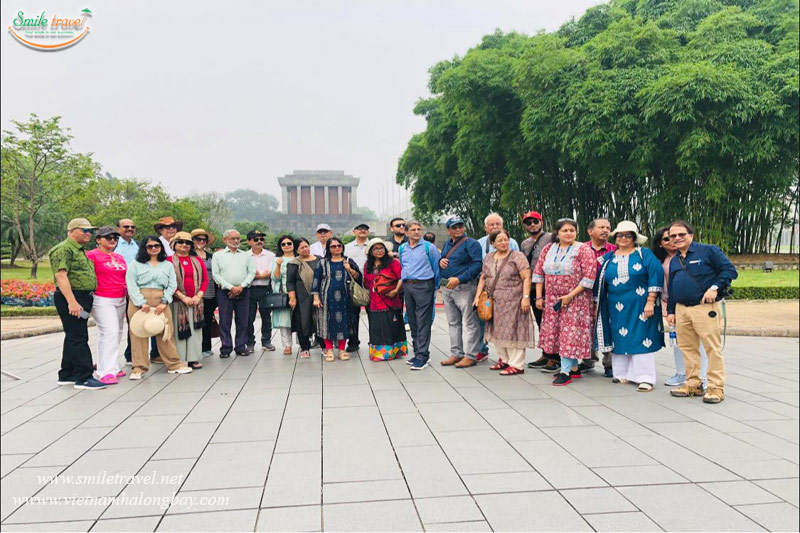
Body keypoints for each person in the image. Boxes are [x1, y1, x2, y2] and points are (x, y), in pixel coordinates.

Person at [666, 220, 737, 404]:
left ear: (691, 235)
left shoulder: (708, 251)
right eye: (673, 236)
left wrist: (714, 287)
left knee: (711, 348)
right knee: (687, 348)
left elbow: (729, 270)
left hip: (704, 308)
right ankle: (693, 384)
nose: (677, 238)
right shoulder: (675, 260)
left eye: (681, 234)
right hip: (682, 309)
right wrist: (671, 310)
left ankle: (715, 387)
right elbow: (672, 287)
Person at [595, 222, 664, 392]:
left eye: (628, 235)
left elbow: (657, 274)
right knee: (618, 337)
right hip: (615, 306)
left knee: (642, 337)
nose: (623, 238)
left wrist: (650, 301)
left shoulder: (643, 254)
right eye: (620, 235)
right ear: (616, 238)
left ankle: (645, 378)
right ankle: (622, 373)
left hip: (641, 304)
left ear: (634, 238)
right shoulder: (608, 258)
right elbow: (600, 282)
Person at [533, 218, 597, 385]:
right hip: (553, 299)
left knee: (569, 334)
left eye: (572, 230)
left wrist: (570, 296)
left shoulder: (583, 250)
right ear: (557, 233)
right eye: (565, 230)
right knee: (558, 333)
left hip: (576, 299)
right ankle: (574, 368)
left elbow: (589, 277)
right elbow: (539, 273)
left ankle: (565, 371)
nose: (569, 233)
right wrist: (539, 297)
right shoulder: (548, 248)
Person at [125, 235, 193, 379]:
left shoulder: (167, 264)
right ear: (144, 248)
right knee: (138, 334)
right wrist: (140, 302)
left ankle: (174, 364)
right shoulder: (135, 264)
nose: (154, 248)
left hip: (161, 298)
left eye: (157, 245)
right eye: (150, 246)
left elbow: (172, 284)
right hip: (139, 299)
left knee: (166, 332)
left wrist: (164, 302)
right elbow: (131, 284)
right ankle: (138, 368)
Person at [50, 218, 105, 390]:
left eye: (90, 231)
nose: (88, 234)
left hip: (82, 297)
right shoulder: (64, 249)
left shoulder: (80, 250)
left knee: (73, 335)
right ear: (72, 231)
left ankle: (67, 374)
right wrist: (72, 302)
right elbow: (61, 276)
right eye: (84, 230)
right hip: (72, 297)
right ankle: (84, 377)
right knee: (79, 337)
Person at [652, 226, 708, 387]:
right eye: (667, 238)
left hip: (696, 303)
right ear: (660, 243)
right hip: (670, 304)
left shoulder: (692, 255)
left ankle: (702, 376)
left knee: (700, 340)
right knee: (678, 340)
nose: (672, 241)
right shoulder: (659, 261)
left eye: (676, 236)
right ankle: (681, 373)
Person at [474, 229, 534, 375]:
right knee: (496, 330)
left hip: (513, 300)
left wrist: (526, 298)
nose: (503, 243)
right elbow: (483, 277)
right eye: (499, 240)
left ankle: (517, 365)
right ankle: (504, 359)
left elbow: (526, 277)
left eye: (505, 239)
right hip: (493, 301)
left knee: (513, 330)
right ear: (493, 243)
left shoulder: (517, 256)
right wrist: (477, 297)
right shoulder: (488, 257)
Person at [438, 216, 484, 368]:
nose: (458, 229)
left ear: (464, 227)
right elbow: (444, 259)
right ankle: (456, 353)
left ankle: (471, 355)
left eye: (460, 226)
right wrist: (440, 261)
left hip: (465, 288)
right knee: (453, 323)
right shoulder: (447, 243)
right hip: (447, 288)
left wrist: (459, 278)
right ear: (448, 230)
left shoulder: (472, 243)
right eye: (454, 227)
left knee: (470, 323)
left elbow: (477, 265)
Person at [86, 226, 128, 385]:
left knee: (116, 333)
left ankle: (112, 366)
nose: (112, 240)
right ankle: (105, 371)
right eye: (108, 237)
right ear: (98, 240)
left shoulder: (119, 257)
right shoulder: (91, 256)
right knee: (109, 332)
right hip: (102, 298)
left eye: (115, 238)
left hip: (120, 297)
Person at [475, 213, 519, 358]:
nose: (495, 227)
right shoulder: (480, 243)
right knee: (483, 317)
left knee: (504, 322)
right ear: (485, 227)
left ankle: (505, 356)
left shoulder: (511, 242)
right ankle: (481, 349)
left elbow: (518, 266)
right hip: (486, 290)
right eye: (491, 224)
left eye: (497, 224)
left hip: (507, 290)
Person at [312, 237, 363, 362]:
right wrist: (316, 297)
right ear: (328, 249)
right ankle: (329, 349)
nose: (337, 248)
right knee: (326, 323)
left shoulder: (348, 261)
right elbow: (316, 280)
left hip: (345, 299)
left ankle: (341, 349)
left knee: (344, 322)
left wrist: (349, 269)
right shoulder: (323, 263)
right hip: (326, 298)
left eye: (339, 246)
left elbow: (358, 277)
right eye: (333, 246)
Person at [399, 221, 441, 370]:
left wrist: (434, 287)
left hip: (424, 285)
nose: (417, 232)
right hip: (408, 286)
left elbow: (436, 268)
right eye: (413, 229)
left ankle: (422, 356)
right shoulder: (402, 248)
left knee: (423, 320)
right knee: (412, 319)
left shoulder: (429, 248)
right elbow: (403, 266)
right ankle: (418, 351)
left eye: (419, 229)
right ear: (406, 232)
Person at [582, 218, 618, 374]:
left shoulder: (614, 250)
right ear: (590, 231)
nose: (605, 230)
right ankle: (588, 360)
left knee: (607, 327)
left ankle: (609, 363)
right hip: (585, 294)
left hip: (608, 295)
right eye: (601, 227)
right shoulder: (581, 249)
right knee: (587, 327)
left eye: (608, 228)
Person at [212, 229, 256, 358]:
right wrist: (231, 287)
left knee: (243, 320)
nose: (236, 241)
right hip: (225, 291)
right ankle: (226, 348)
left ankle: (241, 347)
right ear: (225, 240)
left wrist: (241, 286)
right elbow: (216, 274)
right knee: (225, 321)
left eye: (238, 238)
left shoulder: (246, 255)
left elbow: (251, 272)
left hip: (243, 290)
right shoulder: (218, 255)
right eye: (233, 238)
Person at [168, 231, 209, 369]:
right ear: (174, 244)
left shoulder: (197, 260)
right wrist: (182, 297)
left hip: (196, 302)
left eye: (187, 243)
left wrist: (198, 296)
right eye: (180, 242)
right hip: (177, 302)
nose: (184, 245)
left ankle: (193, 358)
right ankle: (179, 359)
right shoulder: (168, 262)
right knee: (179, 330)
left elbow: (205, 280)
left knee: (195, 331)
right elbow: (168, 282)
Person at [520, 211, 555, 369]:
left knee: (552, 323)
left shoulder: (551, 237)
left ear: (541, 221)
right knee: (541, 322)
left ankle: (556, 358)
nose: (532, 225)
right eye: (528, 222)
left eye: (535, 221)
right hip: (534, 287)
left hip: (550, 286)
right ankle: (546, 354)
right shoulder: (525, 243)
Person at [363, 238, 406, 361]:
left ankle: (393, 352)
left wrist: (396, 291)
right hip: (374, 301)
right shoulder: (368, 265)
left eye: (381, 248)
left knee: (391, 326)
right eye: (376, 248)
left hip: (391, 299)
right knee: (376, 326)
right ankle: (379, 353)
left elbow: (402, 277)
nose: (379, 251)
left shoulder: (394, 262)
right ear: (371, 251)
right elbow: (366, 282)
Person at [287, 238, 320, 358]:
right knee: (302, 321)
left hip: (319, 296)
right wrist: (292, 297)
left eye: (306, 246)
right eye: (302, 247)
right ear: (297, 250)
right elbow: (290, 282)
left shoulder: (319, 260)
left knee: (320, 320)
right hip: (302, 297)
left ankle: (324, 345)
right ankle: (305, 347)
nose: (305, 249)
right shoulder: (294, 263)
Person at [246, 229, 276, 353]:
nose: (259, 241)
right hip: (249, 289)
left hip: (265, 289)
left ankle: (266, 341)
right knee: (249, 317)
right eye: (256, 239)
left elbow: (269, 274)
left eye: (261, 239)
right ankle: (249, 342)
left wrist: (253, 275)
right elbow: (244, 274)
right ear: (249, 242)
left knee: (266, 316)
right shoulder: (244, 256)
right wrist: (257, 275)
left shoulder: (270, 255)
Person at [344, 223, 371, 353]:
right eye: (359, 229)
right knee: (353, 314)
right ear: (354, 232)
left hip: (371, 283)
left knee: (373, 314)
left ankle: (374, 340)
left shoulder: (374, 246)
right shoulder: (347, 248)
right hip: (353, 284)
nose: (362, 231)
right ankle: (353, 341)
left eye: (365, 229)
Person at [192, 229, 217, 357]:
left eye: (204, 239)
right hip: (196, 293)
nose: (201, 241)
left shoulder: (210, 256)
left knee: (208, 320)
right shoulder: (190, 255)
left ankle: (206, 347)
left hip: (211, 292)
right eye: (198, 239)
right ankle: (195, 348)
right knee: (196, 321)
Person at [272, 235, 296, 355]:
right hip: (283, 292)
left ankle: (303, 343)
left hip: (298, 291)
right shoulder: (277, 259)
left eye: (289, 243)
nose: (287, 246)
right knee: (284, 320)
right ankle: (287, 345)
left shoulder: (299, 258)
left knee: (300, 319)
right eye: (284, 244)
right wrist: (278, 265)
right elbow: (275, 278)